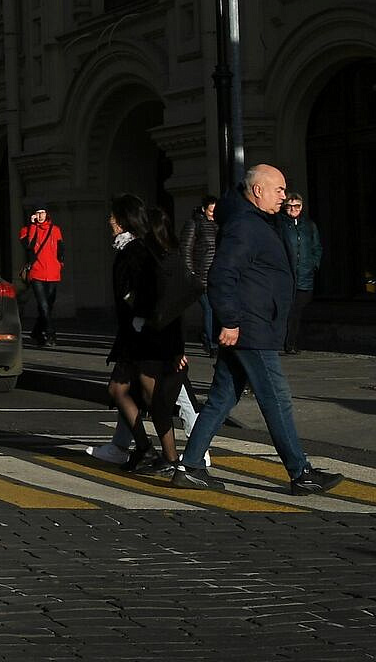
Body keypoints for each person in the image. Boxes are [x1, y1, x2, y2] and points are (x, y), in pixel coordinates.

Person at [174, 164, 343, 495]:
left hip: (251, 325)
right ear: (257, 190)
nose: (284, 195)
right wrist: (231, 321)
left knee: (222, 398)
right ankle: (301, 473)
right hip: (251, 329)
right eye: (278, 189)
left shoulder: (253, 222)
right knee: (276, 399)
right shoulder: (244, 225)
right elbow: (222, 274)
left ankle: (191, 466)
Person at [103, 195, 190, 476]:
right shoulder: (128, 249)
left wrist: (133, 303)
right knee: (118, 390)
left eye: (114, 217)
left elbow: (156, 296)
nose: (110, 222)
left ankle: (171, 458)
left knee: (156, 399)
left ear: (124, 220)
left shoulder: (138, 251)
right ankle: (144, 448)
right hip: (133, 336)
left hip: (147, 337)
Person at [277, 192, 321, 355]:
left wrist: (313, 264)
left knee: (298, 310)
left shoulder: (309, 225)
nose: (293, 210)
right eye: (289, 206)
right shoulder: (280, 224)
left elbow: (316, 247)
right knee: (287, 310)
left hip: (304, 275)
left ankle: (292, 342)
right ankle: (286, 343)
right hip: (287, 275)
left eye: (297, 206)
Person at [18, 205, 64, 347]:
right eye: (37, 213)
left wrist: (60, 264)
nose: (40, 216)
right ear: (33, 215)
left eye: (42, 212)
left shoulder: (55, 230)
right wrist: (32, 226)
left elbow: (61, 249)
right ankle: (51, 334)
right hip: (37, 272)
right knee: (43, 305)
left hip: (53, 272)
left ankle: (37, 332)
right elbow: (29, 245)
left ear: (47, 214)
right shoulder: (26, 230)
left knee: (48, 306)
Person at [180, 195, 220, 354]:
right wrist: (190, 272)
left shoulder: (218, 225)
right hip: (200, 274)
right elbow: (185, 249)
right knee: (209, 308)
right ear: (204, 209)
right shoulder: (194, 224)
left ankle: (207, 336)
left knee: (215, 308)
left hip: (216, 274)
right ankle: (211, 343)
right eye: (211, 211)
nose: (213, 214)